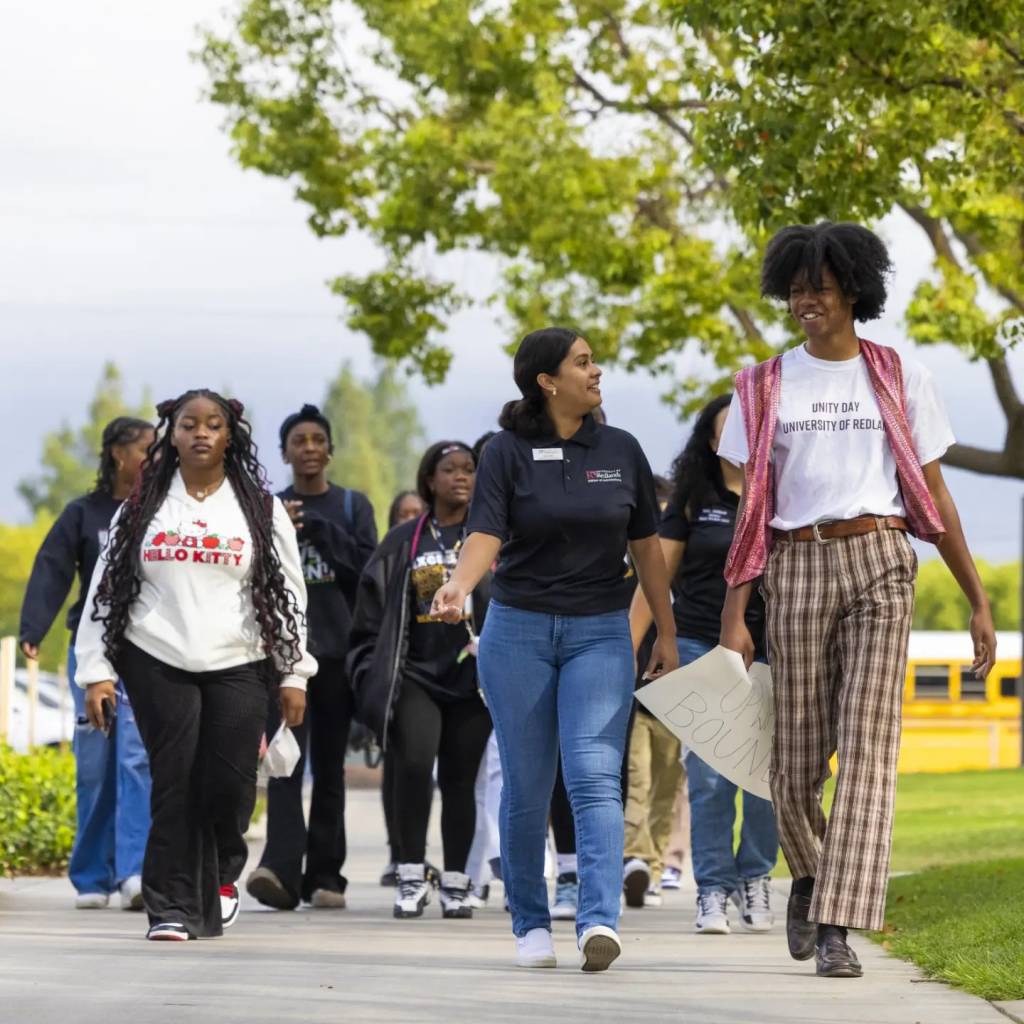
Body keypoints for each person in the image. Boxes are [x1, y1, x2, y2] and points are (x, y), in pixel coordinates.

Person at [718, 222, 996, 979]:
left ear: (854, 288)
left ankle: (838, 925)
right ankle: (808, 875)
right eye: (796, 286)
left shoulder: (902, 376)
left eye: (821, 285)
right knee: (795, 762)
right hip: (795, 563)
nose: (806, 299)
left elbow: (932, 494)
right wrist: (735, 615)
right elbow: (749, 511)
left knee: (870, 748)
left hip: (881, 557)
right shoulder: (763, 385)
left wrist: (976, 598)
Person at [432, 327, 678, 972]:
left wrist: (667, 633)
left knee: (595, 776)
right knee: (528, 783)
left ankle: (598, 921)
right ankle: (529, 924)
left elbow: (647, 549)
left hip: (601, 630)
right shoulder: (508, 452)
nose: (597, 371)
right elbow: (486, 529)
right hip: (518, 632)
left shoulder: (621, 449)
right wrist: (459, 585)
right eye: (583, 362)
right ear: (547, 381)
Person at [75, 389, 316, 941]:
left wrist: (294, 672)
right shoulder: (141, 506)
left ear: (230, 435)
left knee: (228, 786)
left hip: (240, 656)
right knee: (174, 780)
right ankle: (172, 907)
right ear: (172, 434)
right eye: (189, 424)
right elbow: (104, 591)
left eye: (213, 424)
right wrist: (97, 669)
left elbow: (292, 593)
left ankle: (222, 877)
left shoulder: (259, 505)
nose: (201, 433)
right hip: (156, 654)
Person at [629, 395, 778, 931]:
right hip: (699, 644)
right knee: (712, 776)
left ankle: (756, 877)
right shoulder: (695, 496)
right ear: (712, 442)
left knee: (765, 776)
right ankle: (712, 888)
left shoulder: (783, 492)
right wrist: (634, 643)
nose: (739, 439)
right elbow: (656, 575)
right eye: (727, 431)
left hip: (774, 650)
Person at [349, 441, 493, 920]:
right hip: (415, 675)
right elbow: (370, 609)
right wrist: (371, 666)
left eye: (469, 469)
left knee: (459, 780)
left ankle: (455, 880)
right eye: (449, 469)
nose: (461, 477)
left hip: (472, 680)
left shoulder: (491, 537)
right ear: (428, 480)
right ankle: (410, 873)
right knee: (412, 768)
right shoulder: (406, 540)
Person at [19, 416, 155, 911]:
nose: (154, 458)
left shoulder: (159, 512)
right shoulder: (85, 514)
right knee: (97, 763)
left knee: (137, 759)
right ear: (119, 454)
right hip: (93, 651)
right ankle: (92, 874)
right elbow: (52, 567)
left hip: (145, 650)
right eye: (146, 449)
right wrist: (34, 627)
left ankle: (135, 872)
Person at [245, 404, 377, 911]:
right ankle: (278, 869)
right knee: (282, 764)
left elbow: (367, 572)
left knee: (328, 768)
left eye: (317, 439)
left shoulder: (351, 506)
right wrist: (280, 533)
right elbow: (251, 576)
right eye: (298, 440)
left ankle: (326, 875)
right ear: (284, 453)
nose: (308, 448)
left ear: (330, 450)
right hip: (282, 658)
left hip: (338, 656)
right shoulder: (266, 507)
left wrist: (319, 532)